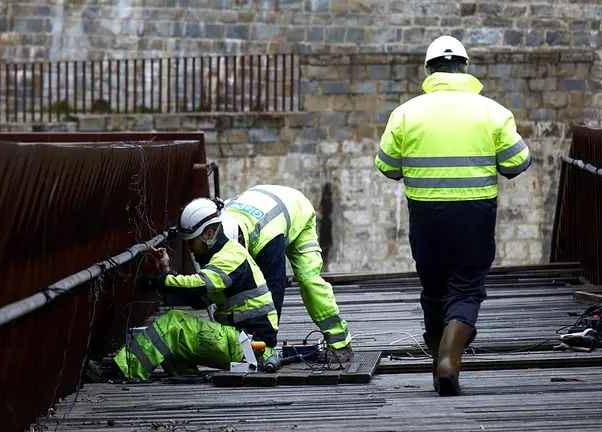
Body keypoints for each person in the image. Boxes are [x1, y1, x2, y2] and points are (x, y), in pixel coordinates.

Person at [374, 35, 531, 396]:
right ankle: (450, 360)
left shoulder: (406, 113)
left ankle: (438, 366)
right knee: (467, 288)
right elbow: (518, 162)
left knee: (433, 290)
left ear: (429, 71)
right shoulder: (492, 111)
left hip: (426, 217)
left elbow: (386, 166)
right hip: (474, 216)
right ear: (466, 68)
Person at [85, 197, 279, 382]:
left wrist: (159, 281)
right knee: (172, 339)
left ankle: (119, 371)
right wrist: (167, 271)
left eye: (191, 241)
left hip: (253, 347)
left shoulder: (231, 257)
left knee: (174, 323)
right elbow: (198, 300)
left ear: (209, 235)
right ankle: (185, 377)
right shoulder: (223, 258)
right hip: (245, 343)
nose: (189, 248)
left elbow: (198, 286)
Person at [215, 184, 353, 362]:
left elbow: (274, 289)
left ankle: (340, 344)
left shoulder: (268, 239)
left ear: (239, 241)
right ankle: (244, 343)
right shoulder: (219, 227)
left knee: (309, 280)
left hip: (296, 212)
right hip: (266, 204)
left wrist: (266, 344)